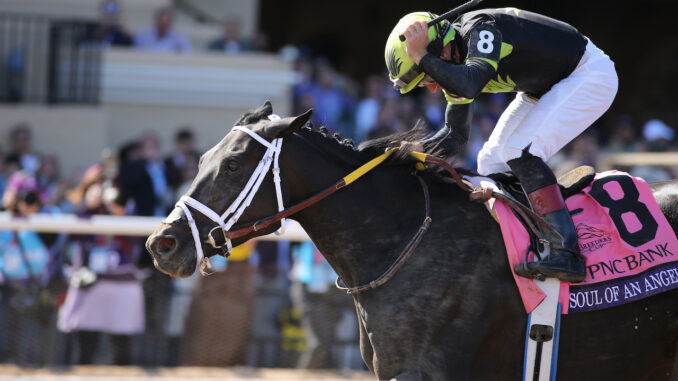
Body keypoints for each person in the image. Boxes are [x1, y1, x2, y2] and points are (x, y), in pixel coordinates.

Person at [385, 8, 619, 282]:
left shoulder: (480, 28)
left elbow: (470, 85)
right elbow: (454, 136)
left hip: (588, 73)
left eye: (425, 76)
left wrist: (420, 57)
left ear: (441, 51)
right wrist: (412, 154)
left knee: (520, 150)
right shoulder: (456, 64)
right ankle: (530, 238)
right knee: (490, 161)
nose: (433, 88)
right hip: (544, 88)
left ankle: (566, 252)